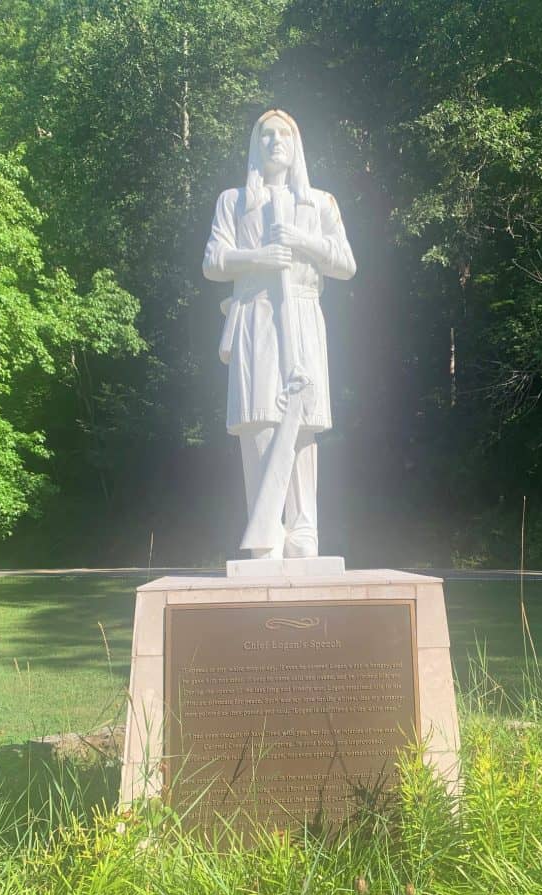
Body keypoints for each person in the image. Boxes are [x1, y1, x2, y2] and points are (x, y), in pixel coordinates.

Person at [203, 109, 356, 559]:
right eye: (265, 134)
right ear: (255, 145)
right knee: (259, 421)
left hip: (303, 311)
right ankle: (266, 529)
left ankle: (305, 527)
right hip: (254, 313)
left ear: (296, 143)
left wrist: (301, 241)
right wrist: (260, 256)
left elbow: (346, 263)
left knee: (303, 421)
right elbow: (213, 261)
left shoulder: (320, 202)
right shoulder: (233, 201)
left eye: (283, 133)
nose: (275, 141)